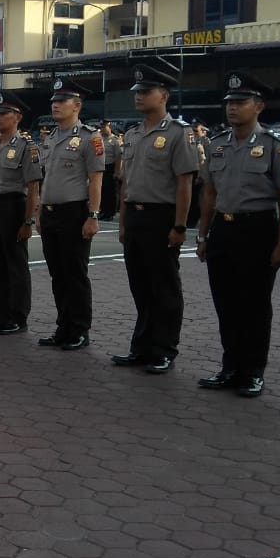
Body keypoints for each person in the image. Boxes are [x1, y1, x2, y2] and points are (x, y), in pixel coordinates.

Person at [194, 72, 280, 397]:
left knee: (254, 304)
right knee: (225, 302)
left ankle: (253, 370)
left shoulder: (274, 145)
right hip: (224, 230)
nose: (233, 108)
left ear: (259, 107)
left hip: (258, 230)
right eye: (230, 103)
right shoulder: (217, 144)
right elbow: (209, 192)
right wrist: (202, 235)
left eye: (241, 102)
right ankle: (230, 367)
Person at [111, 64, 198, 374]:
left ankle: (164, 349)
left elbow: (185, 182)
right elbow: (126, 184)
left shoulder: (178, 133)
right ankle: (142, 346)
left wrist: (179, 225)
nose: (139, 97)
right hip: (135, 216)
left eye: (145, 92)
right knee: (141, 286)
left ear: (163, 96)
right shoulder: (132, 135)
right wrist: (122, 222)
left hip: (162, 218)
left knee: (164, 288)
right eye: (137, 92)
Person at [34, 78, 103, 349]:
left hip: (74, 213)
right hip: (50, 213)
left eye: (61, 101)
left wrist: (93, 215)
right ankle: (63, 327)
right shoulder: (50, 138)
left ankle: (79, 330)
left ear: (77, 105)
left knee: (75, 274)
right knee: (58, 274)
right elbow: (46, 179)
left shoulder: (89, 137)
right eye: (53, 101)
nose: (55, 105)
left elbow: (96, 179)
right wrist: (39, 212)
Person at [0, 91, 42, 336]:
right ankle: (0, 315)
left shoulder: (27, 147)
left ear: (17, 117)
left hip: (14, 206)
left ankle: (17, 316)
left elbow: (33, 186)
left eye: (3, 113)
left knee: (15, 265)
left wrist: (28, 220)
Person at [99, 121, 120, 219]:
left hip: (110, 167)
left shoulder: (115, 140)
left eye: (104, 127)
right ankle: (103, 211)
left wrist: (117, 171)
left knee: (110, 192)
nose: (102, 129)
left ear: (109, 127)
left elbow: (118, 157)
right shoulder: (100, 139)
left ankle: (110, 213)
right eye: (101, 127)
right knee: (102, 191)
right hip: (101, 167)